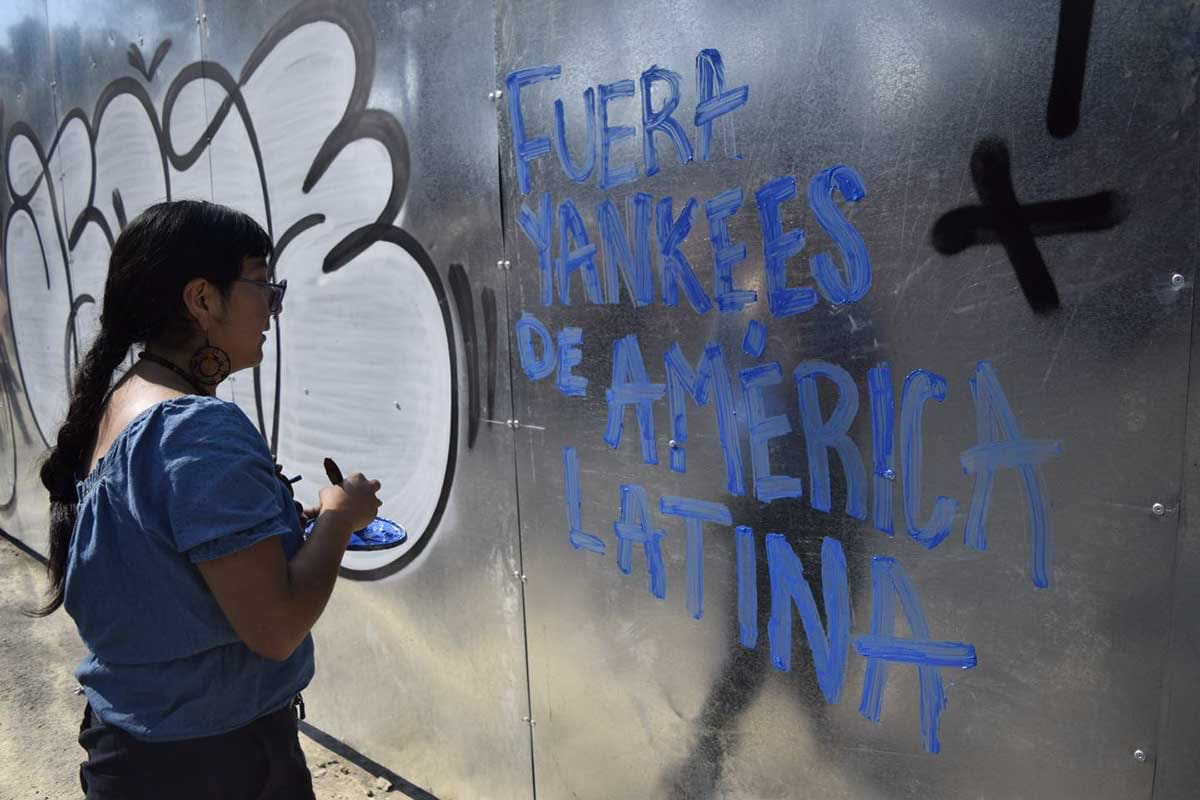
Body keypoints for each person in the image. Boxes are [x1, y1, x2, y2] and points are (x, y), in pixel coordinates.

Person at [31, 200, 383, 799]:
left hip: (141, 749)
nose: (273, 307)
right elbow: (275, 628)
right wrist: (340, 519)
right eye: (263, 286)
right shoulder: (194, 428)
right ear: (202, 299)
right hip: (216, 764)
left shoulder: (128, 398)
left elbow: (162, 557)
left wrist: (276, 525)